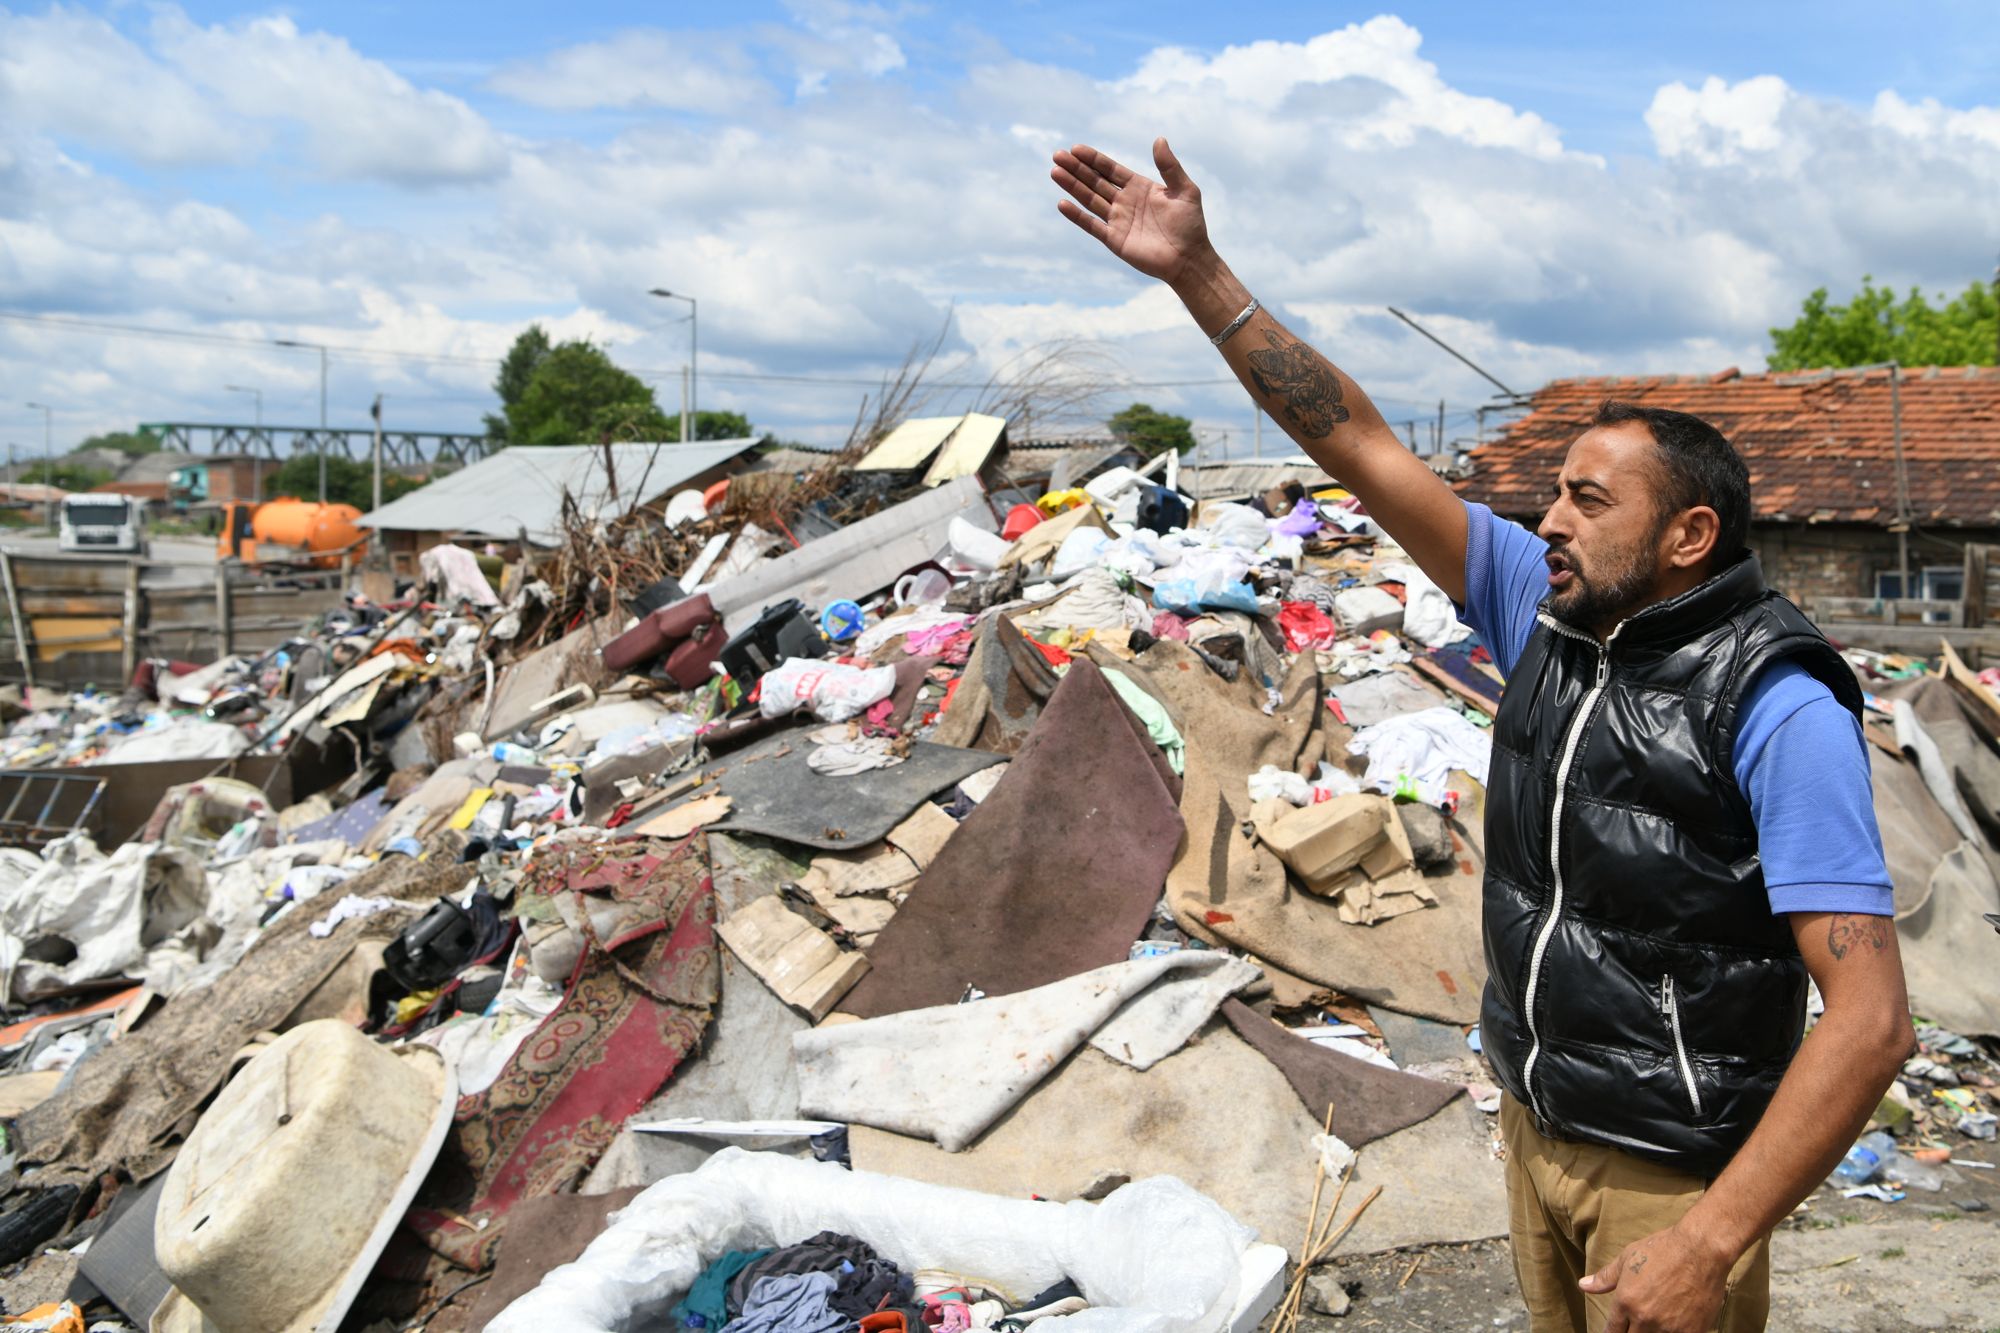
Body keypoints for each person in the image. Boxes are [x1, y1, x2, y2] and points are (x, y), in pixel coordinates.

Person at [1051, 138, 1914, 1333]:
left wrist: (1710, 1238)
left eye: (1586, 501)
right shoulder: (1542, 611)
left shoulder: (1772, 703)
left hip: (1665, 1171)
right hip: (1533, 1118)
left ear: (1687, 536)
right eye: (1552, 492)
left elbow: (1869, 1021)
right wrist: (1200, 274)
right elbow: (1351, 439)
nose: (1544, 520)